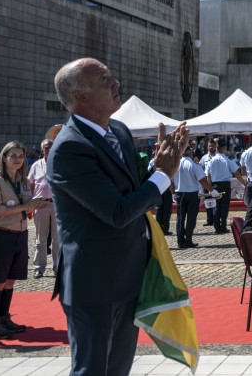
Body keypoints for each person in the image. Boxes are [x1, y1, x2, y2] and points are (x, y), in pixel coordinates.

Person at [47, 57, 187, 376]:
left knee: (118, 367)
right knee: (92, 369)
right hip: (92, 279)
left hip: (128, 273)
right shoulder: (71, 148)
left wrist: (158, 167)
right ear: (80, 97)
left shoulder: (120, 131)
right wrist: (164, 175)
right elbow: (118, 211)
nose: (115, 84)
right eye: (105, 80)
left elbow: (133, 188)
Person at [0, 141, 47, 339]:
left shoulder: (23, 180)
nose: (18, 159)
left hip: (19, 234)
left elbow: (23, 207)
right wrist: (24, 206)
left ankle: (3, 319)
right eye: (13, 156)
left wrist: (32, 207)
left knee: (10, 282)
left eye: (20, 156)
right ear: (4, 157)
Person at [27, 139, 58, 279]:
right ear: (42, 150)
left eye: (52, 147)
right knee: (40, 239)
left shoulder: (61, 163)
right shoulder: (36, 166)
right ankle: (39, 267)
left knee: (58, 239)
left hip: (58, 205)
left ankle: (58, 267)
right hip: (41, 204)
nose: (49, 149)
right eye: (46, 147)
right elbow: (30, 185)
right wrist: (31, 204)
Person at [173, 147, 212, 247]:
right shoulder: (194, 165)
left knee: (180, 218)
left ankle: (180, 240)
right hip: (192, 194)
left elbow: (170, 181)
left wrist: (173, 192)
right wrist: (212, 190)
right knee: (191, 218)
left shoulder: (175, 165)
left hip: (180, 193)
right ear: (191, 154)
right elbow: (202, 180)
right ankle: (188, 240)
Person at [204, 138, 243, 234]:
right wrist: (244, 183)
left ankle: (216, 227)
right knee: (224, 207)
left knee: (216, 206)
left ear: (216, 149)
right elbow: (237, 174)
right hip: (225, 184)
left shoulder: (211, 161)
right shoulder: (228, 160)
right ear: (224, 149)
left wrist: (210, 188)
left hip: (215, 184)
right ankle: (223, 226)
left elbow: (208, 176)